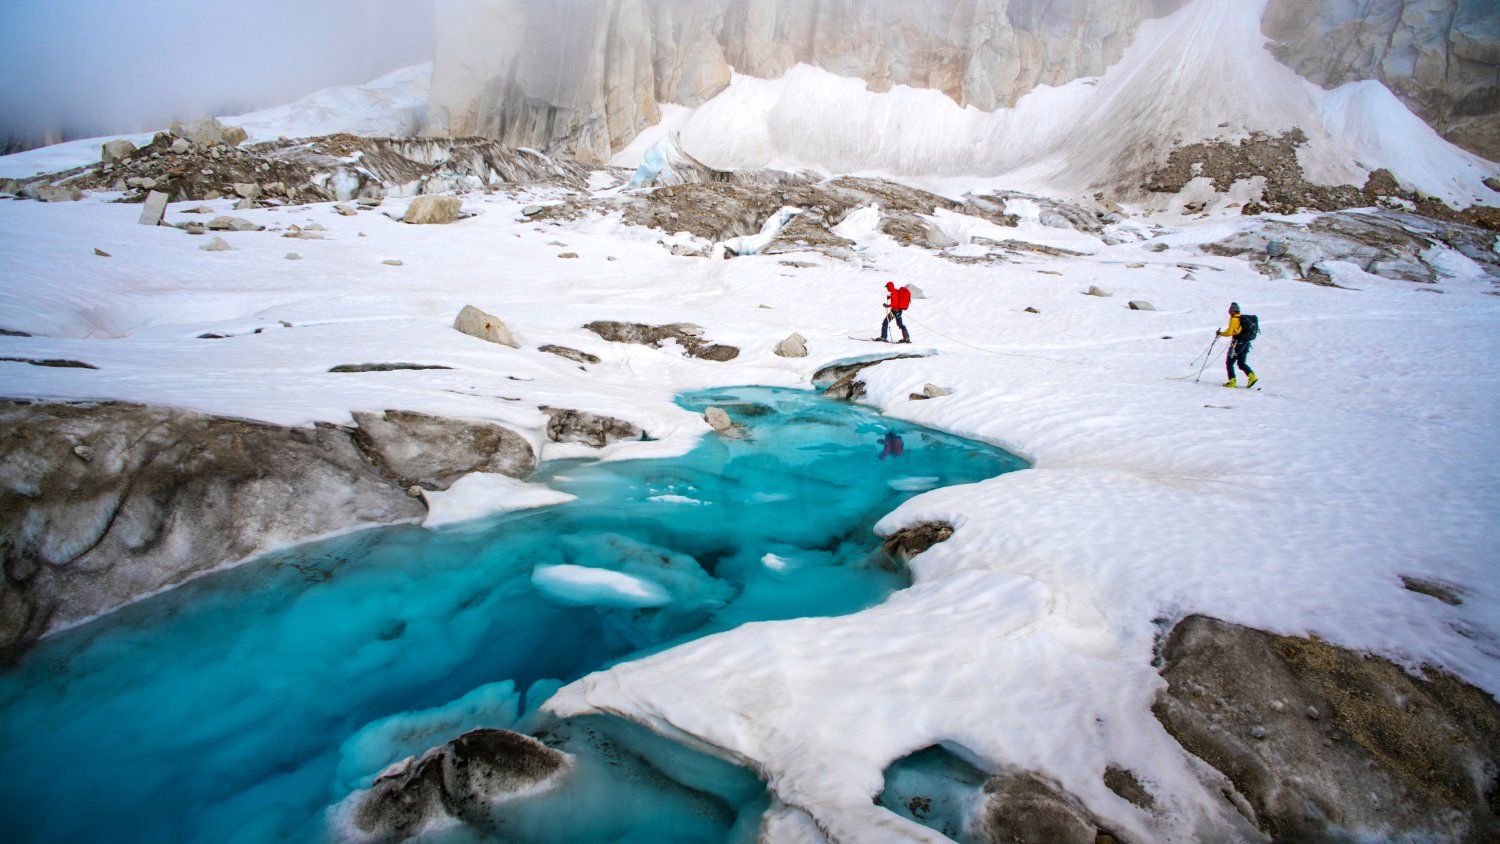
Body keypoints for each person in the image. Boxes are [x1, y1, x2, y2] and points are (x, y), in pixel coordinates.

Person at [1217, 302, 1257, 388]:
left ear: (1233, 311)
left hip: (1237, 344)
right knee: (1241, 363)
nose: (1229, 314)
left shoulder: (1234, 319)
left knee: (1229, 363)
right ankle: (1252, 376)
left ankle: (1232, 381)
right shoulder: (1242, 318)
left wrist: (1220, 333)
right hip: (1246, 343)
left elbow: (1230, 332)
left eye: (1230, 312)